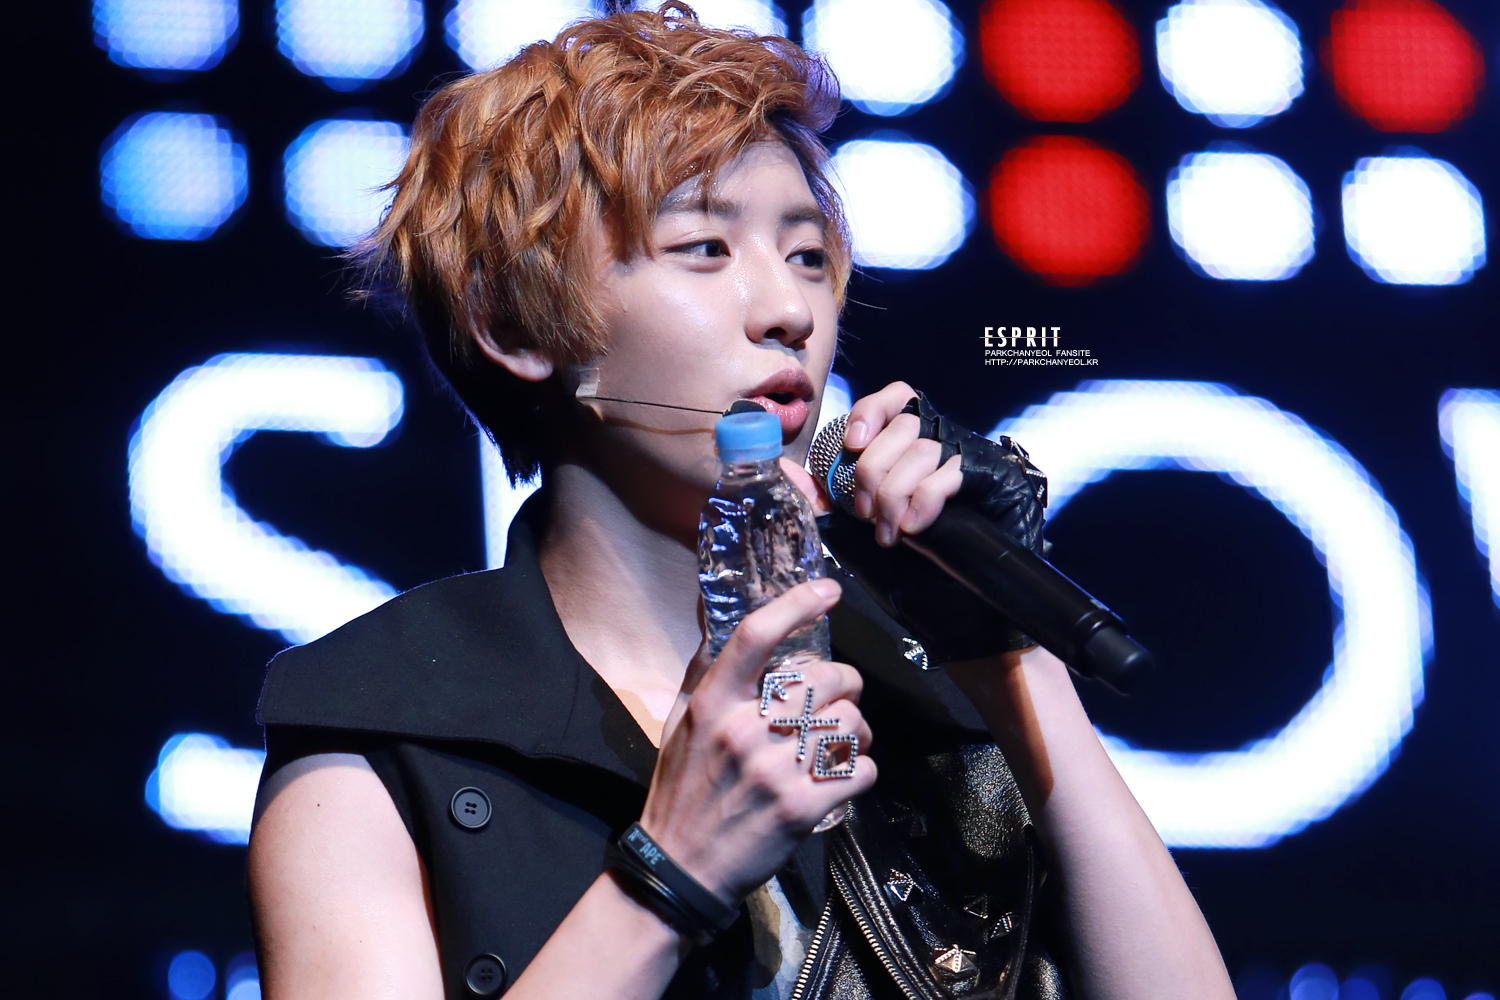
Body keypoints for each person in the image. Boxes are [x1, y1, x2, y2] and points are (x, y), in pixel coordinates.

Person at [247, 6, 1236, 1000]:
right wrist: (670, 872)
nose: (790, 311)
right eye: (705, 248)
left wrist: (1013, 665)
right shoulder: (380, 729)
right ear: (512, 325)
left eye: (806, 256)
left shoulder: (929, 691)